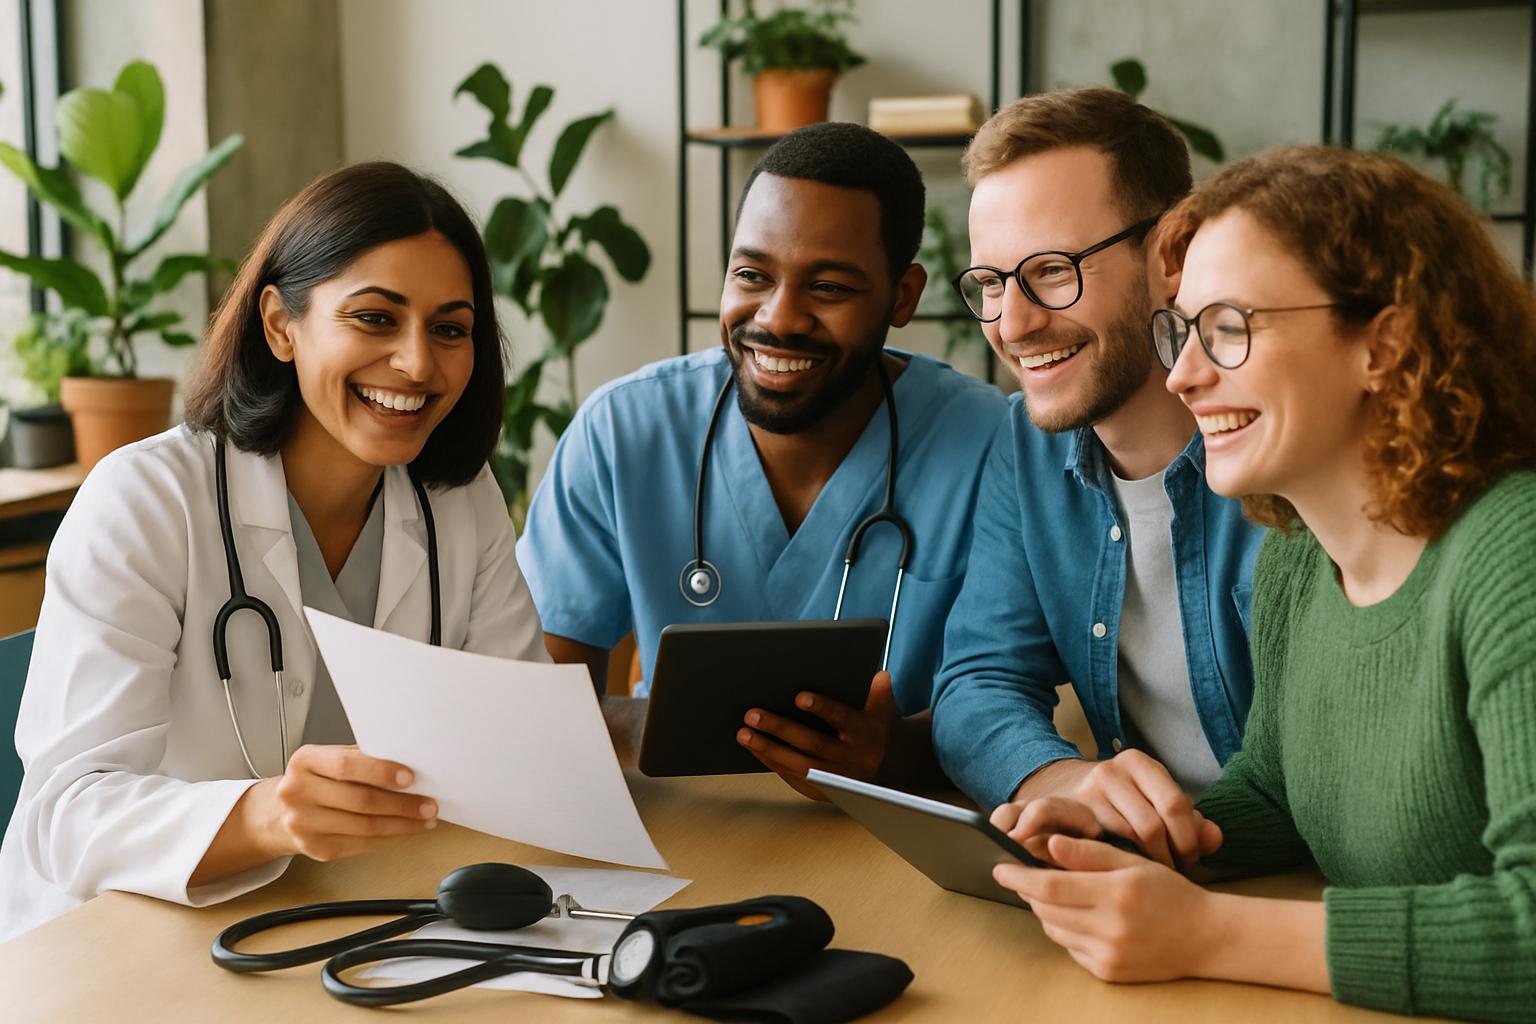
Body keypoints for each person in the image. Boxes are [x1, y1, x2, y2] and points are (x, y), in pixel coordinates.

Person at [991, 145, 1536, 1022]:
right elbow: (1280, 791)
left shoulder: (1514, 554)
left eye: (1231, 328)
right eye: (1184, 329)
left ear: (1383, 345)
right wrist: (1135, 839)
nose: (1184, 375)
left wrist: (1206, 931)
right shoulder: (1295, 555)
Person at [0, 162, 545, 941]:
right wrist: (265, 816)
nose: (418, 364)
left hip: (335, 919)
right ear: (280, 324)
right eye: (375, 318)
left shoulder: (460, 500)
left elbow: (517, 744)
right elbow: (66, 814)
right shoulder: (146, 502)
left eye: (450, 328)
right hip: (111, 944)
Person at [516, 122, 1007, 797]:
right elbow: (539, 708)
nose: (778, 317)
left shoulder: (990, 445)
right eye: (752, 274)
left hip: (899, 833)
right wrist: (662, 730)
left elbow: (1018, 700)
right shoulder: (623, 431)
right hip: (680, 824)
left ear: (902, 296)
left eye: (829, 287)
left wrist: (894, 755)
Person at [929, 88, 1264, 866]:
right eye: (988, 284)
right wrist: (1061, 780)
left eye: (1051, 272)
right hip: (1144, 878)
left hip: (1291, 885)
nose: (1011, 326)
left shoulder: (1282, 439)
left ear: (1169, 258)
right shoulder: (1029, 442)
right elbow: (979, 680)